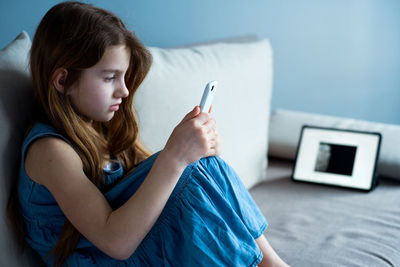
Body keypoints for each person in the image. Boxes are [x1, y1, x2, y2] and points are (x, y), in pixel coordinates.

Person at [9, 1, 288, 266]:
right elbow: (115, 242)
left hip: (126, 250)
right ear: (62, 80)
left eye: (124, 77)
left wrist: (200, 153)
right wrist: (175, 158)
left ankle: (272, 264)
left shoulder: (98, 126)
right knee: (188, 169)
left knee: (201, 167)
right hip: (101, 259)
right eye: (110, 78)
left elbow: (151, 192)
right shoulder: (50, 151)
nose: (124, 91)